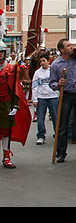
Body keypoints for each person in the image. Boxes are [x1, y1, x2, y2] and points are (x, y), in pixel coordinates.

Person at [49, 38, 76, 163]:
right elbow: (51, 84)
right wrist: (58, 83)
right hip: (65, 95)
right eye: (68, 46)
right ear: (62, 49)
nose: (71, 47)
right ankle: (61, 152)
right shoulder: (55, 65)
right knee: (62, 125)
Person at [0, 40, 30, 169]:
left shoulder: (10, 68)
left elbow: (15, 88)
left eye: (1, 52)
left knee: (6, 132)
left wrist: (15, 105)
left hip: (5, 103)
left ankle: (6, 156)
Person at [31, 51, 58, 145]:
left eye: (44, 61)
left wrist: (58, 94)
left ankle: (57, 133)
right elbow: (34, 86)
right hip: (41, 97)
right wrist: (35, 99)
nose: (42, 63)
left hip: (53, 96)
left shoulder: (53, 71)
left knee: (56, 117)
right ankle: (41, 136)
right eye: (40, 61)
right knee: (40, 118)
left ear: (48, 61)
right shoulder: (37, 73)